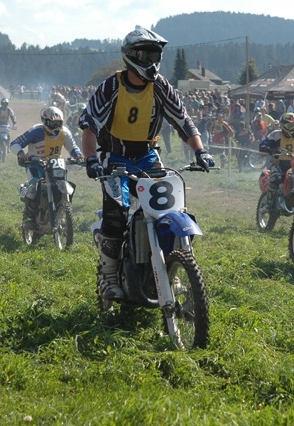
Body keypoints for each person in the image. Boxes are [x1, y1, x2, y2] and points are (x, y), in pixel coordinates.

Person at [79, 25, 214, 301]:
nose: (151, 62)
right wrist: (91, 159)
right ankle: (108, 276)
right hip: (113, 156)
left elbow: (183, 120)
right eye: (145, 55)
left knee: (170, 209)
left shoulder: (160, 86)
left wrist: (200, 151)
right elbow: (89, 125)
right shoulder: (111, 86)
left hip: (147, 155)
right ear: (130, 56)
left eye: (155, 55)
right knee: (117, 211)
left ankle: (172, 266)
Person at [11, 106, 84, 230]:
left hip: (56, 164)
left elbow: (72, 147)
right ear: (45, 122)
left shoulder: (65, 132)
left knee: (63, 186)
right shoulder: (35, 131)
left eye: (58, 123)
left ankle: (62, 210)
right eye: (53, 123)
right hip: (35, 164)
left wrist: (78, 155)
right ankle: (29, 215)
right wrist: (21, 154)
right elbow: (15, 143)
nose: (56, 127)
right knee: (33, 189)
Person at [259, 112, 294, 206]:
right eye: (291, 125)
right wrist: (271, 150)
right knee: (276, 178)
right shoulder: (276, 135)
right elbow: (263, 145)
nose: (293, 128)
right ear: (283, 125)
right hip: (279, 164)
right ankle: (269, 202)